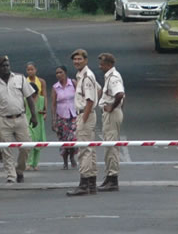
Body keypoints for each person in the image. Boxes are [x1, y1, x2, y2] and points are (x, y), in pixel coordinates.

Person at [0, 56, 36, 183]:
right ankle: (11, 175)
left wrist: (34, 116)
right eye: (3, 66)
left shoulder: (20, 78)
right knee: (6, 149)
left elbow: (29, 98)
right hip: (4, 120)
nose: (6, 68)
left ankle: (19, 170)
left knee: (26, 146)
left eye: (7, 65)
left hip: (20, 118)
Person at [66, 48, 100, 196]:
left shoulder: (87, 76)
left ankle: (84, 183)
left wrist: (84, 118)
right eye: (75, 59)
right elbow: (98, 89)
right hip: (85, 114)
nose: (77, 61)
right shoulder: (81, 75)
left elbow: (90, 100)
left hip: (85, 114)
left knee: (84, 150)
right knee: (90, 149)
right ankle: (92, 183)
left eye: (80, 59)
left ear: (86, 60)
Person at [96, 52, 126, 192]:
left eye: (102, 64)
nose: (100, 67)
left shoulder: (113, 77)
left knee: (111, 146)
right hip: (111, 113)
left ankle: (113, 178)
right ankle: (109, 176)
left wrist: (112, 107)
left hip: (112, 114)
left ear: (108, 65)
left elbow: (120, 94)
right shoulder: (110, 76)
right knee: (108, 146)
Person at [50, 65, 78, 170]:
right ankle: (65, 161)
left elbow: (80, 96)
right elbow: (53, 104)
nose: (59, 75)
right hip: (61, 117)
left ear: (65, 73)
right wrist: (54, 120)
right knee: (63, 140)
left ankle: (72, 156)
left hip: (73, 115)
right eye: (57, 73)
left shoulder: (73, 83)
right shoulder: (55, 87)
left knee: (73, 138)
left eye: (60, 72)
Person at [24, 63, 48, 171]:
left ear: (35, 70)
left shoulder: (41, 82)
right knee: (30, 141)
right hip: (28, 121)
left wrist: (45, 111)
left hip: (39, 121)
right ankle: (29, 162)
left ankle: (35, 163)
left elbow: (44, 96)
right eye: (28, 70)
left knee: (38, 142)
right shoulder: (24, 83)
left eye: (32, 69)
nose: (30, 71)